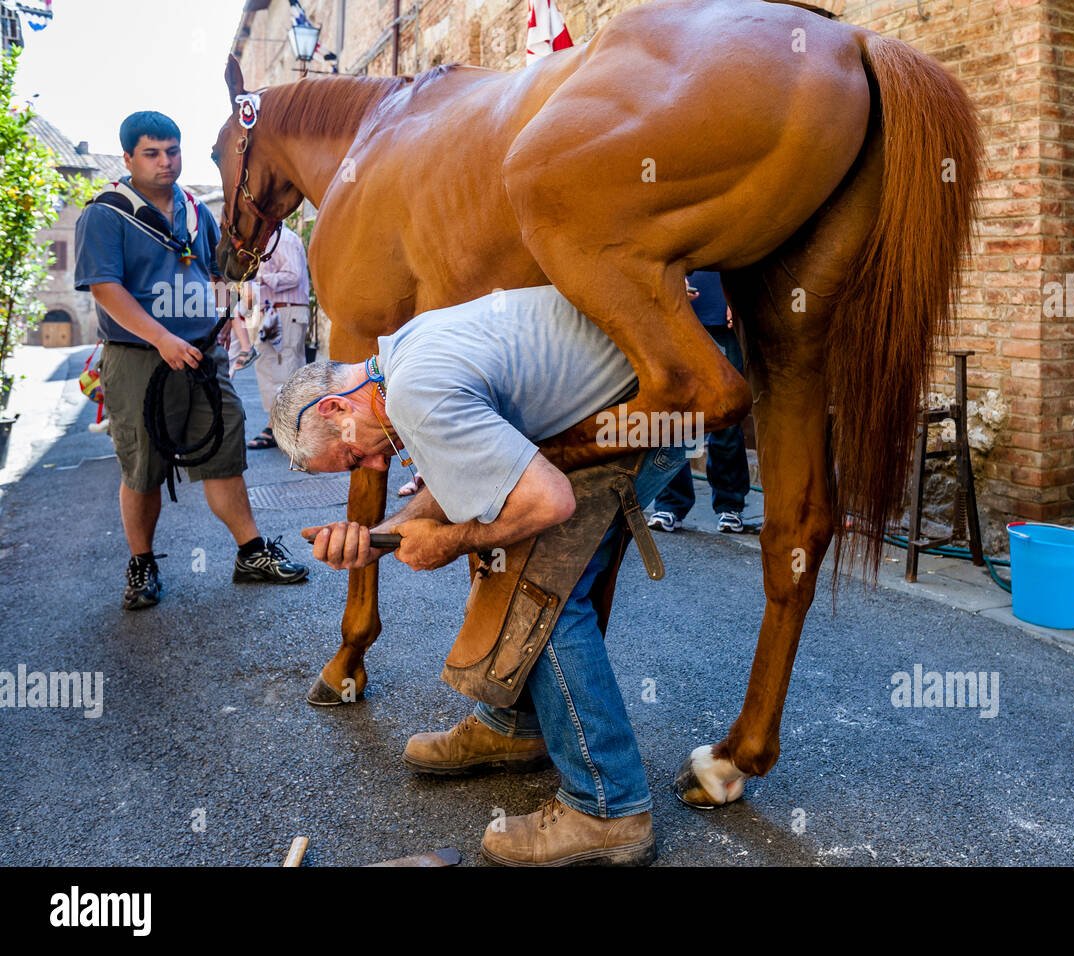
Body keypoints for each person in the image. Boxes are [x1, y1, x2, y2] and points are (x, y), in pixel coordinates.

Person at [272, 285, 686, 867]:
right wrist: (378, 540)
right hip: (622, 401)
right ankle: (514, 728)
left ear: (334, 408)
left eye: (350, 458)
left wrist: (449, 541)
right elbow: (465, 468)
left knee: (542, 592)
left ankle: (609, 808)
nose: (374, 465)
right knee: (509, 561)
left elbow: (550, 504)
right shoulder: (399, 360)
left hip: (647, 417)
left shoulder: (414, 393)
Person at [74, 111, 308, 611]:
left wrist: (224, 311)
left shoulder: (197, 210)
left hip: (203, 353)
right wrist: (162, 339)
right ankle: (142, 565)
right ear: (128, 158)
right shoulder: (105, 212)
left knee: (223, 454)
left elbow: (214, 270)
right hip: (140, 357)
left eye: (173, 151)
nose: (166, 162)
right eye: (152, 153)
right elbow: (105, 288)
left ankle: (250, 553)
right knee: (143, 466)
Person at [646, 270, 752, 533]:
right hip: (675, 315)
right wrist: (671, 277)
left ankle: (730, 507)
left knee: (727, 415)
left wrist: (739, 296)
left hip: (720, 314)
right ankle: (670, 505)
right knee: (673, 414)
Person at [245, 225, 310, 450]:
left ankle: (283, 428)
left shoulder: (284, 240)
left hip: (286, 311)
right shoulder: (273, 240)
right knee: (272, 368)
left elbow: (294, 275)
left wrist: (261, 276)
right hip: (278, 311)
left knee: (284, 369)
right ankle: (280, 425)